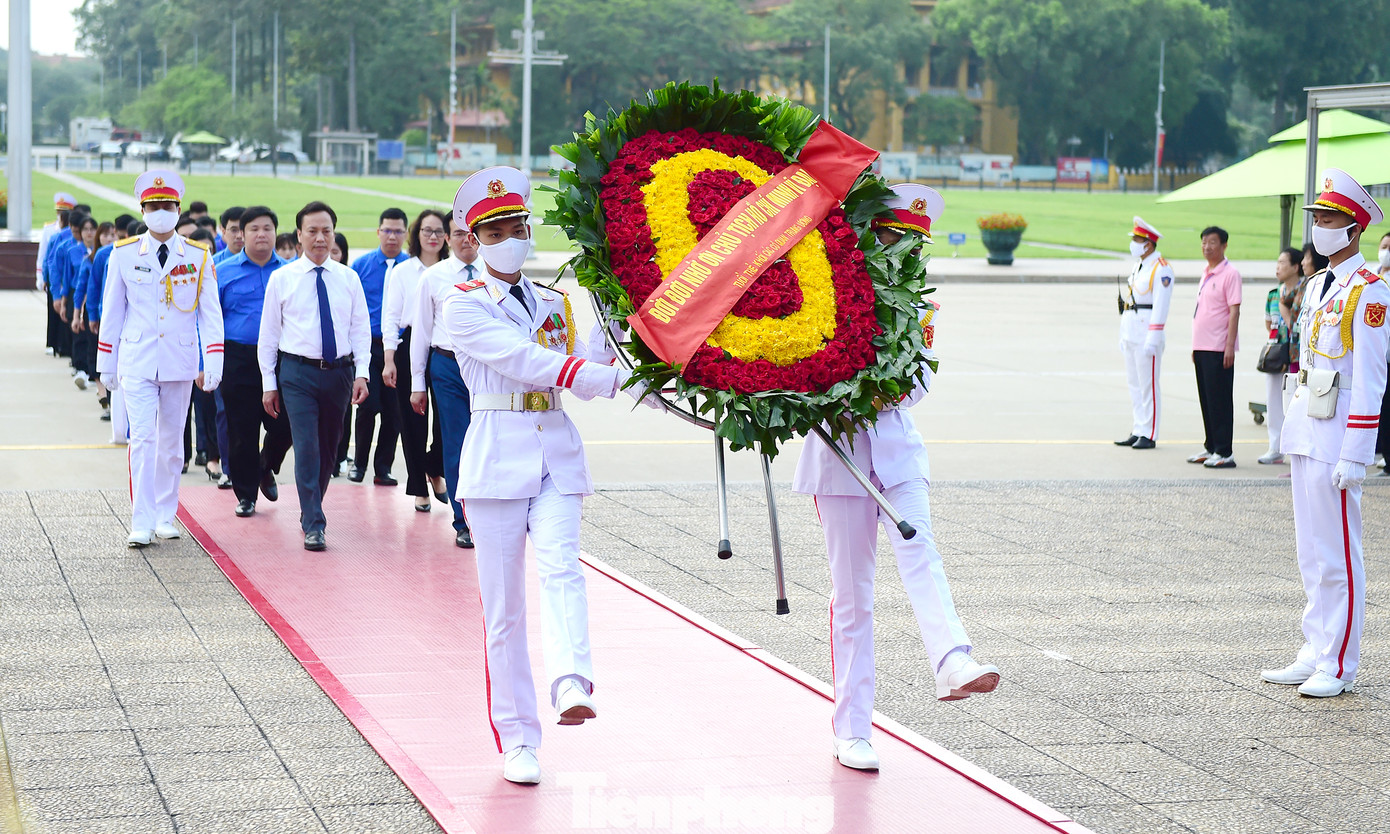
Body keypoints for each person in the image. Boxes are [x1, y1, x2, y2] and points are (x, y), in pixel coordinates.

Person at [793, 184, 999, 772]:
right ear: (869, 234)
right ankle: (852, 728)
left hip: (896, 448)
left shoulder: (921, 307)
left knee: (922, 553)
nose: (904, 252)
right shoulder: (828, 295)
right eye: (894, 237)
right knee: (853, 597)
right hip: (839, 457)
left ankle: (951, 659)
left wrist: (876, 388)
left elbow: (921, 384)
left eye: (914, 243)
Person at [441, 166, 634, 785]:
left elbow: (610, 361)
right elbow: (526, 361)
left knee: (562, 566)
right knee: (504, 611)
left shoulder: (556, 301)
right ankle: (518, 737)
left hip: (555, 450)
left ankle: (571, 681)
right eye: (496, 229)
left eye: (518, 225)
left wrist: (626, 322)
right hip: (496, 457)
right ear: (474, 237)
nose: (511, 236)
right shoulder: (463, 305)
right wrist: (591, 375)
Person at [1264, 168, 1390, 698]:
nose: (1319, 226)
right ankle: (1315, 648)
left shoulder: (1371, 292)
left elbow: (1371, 378)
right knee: (1312, 550)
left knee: (1340, 551)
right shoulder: (1316, 286)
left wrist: (1356, 453)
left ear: (1354, 228)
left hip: (1338, 433)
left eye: (1329, 218)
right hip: (1306, 427)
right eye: (1317, 217)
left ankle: (1339, 662)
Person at [96, 170, 224, 547]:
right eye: (153, 207)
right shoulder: (123, 254)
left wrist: (212, 361)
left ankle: (167, 514)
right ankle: (141, 519)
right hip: (137, 359)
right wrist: (106, 362)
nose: (160, 213)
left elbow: (210, 314)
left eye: (167, 206)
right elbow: (112, 311)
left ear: (178, 209)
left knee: (171, 443)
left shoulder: (198, 255)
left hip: (179, 360)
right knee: (143, 439)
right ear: (143, 210)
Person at [257, 201, 370, 551]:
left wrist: (362, 374)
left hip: (339, 373)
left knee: (329, 448)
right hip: (297, 373)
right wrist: (269, 384)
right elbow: (269, 336)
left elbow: (360, 329)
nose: (320, 238)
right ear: (299, 236)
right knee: (305, 445)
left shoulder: (348, 278)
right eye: (312, 231)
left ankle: (312, 507)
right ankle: (314, 521)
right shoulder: (282, 278)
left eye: (326, 231)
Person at [216, 205, 292, 518]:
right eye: (253, 229)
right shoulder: (223, 272)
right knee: (241, 429)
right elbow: (208, 319)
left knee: (286, 424)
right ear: (241, 235)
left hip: (281, 358)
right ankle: (246, 494)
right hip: (238, 357)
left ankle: (265, 465)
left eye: (267, 229)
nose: (261, 234)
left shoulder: (290, 272)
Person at [412, 215, 480, 547]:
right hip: (447, 366)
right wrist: (417, 383)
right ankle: (462, 519)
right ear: (447, 239)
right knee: (455, 442)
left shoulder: (493, 275)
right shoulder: (433, 277)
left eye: (471, 235)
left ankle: (488, 514)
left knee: (487, 441)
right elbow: (421, 333)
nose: (465, 241)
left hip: (485, 368)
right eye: (458, 234)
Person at [383, 209, 450, 512]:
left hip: (445, 345)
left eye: (438, 231)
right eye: (427, 231)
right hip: (409, 343)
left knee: (445, 419)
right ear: (417, 234)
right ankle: (418, 485)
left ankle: (435, 466)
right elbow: (390, 318)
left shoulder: (452, 270)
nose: (433, 237)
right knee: (412, 420)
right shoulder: (403, 271)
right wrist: (389, 358)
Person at [348, 208, 411, 485]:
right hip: (368, 345)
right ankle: (358, 464)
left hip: (399, 347)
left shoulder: (411, 267)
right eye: (387, 230)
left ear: (406, 235)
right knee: (368, 406)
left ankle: (382, 468)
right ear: (378, 232)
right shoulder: (361, 266)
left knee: (394, 411)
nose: (392, 236)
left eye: (398, 231)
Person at [1115, 217, 1174, 450]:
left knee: (1148, 384)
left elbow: (1161, 305)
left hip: (1147, 332)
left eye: (1137, 239)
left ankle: (1149, 432)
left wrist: (1154, 336)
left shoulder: (1162, 268)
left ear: (1148, 244)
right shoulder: (1140, 265)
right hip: (1131, 329)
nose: (1134, 243)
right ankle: (1139, 427)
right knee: (1134, 383)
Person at [1188, 226, 1242, 469]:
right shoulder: (1207, 272)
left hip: (1219, 347)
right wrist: (1194, 346)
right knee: (1206, 399)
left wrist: (1229, 346)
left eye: (1212, 242)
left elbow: (1234, 311)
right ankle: (1210, 445)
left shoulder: (1230, 274)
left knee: (1220, 399)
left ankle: (1224, 450)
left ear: (1223, 246)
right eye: (1204, 242)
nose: (1206, 247)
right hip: (1202, 346)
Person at [1259, 249, 1304, 465]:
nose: (1278, 267)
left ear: (1296, 267)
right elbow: (1269, 323)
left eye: (1282, 263)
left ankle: (1293, 446)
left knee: (1294, 401)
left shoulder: (1303, 291)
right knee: (1273, 399)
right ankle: (1274, 446)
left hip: (1296, 355)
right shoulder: (1273, 294)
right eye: (1277, 262)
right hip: (1277, 353)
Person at [38, 193, 76, 356]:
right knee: (53, 312)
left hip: (64, 278)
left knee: (65, 313)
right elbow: (44, 256)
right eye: (59, 212)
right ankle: (52, 342)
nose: (61, 216)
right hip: (54, 277)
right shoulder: (49, 230)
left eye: (64, 213)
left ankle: (62, 345)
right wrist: (41, 277)